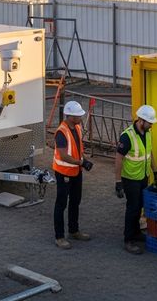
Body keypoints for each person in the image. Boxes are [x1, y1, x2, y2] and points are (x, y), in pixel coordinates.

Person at [114, 104, 157, 255]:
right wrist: (118, 182)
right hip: (130, 178)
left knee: (139, 206)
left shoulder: (147, 133)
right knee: (132, 208)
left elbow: (149, 153)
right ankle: (128, 239)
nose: (151, 125)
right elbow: (118, 159)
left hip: (143, 176)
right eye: (150, 122)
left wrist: (155, 171)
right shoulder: (127, 136)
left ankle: (136, 232)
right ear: (141, 121)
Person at [52, 100, 93, 249]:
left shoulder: (77, 127)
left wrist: (84, 160)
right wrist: (81, 163)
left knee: (75, 201)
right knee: (61, 204)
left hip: (75, 171)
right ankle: (59, 237)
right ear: (70, 116)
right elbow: (63, 155)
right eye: (78, 116)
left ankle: (74, 230)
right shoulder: (61, 132)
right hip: (64, 172)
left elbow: (77, 149)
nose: (80, 118)